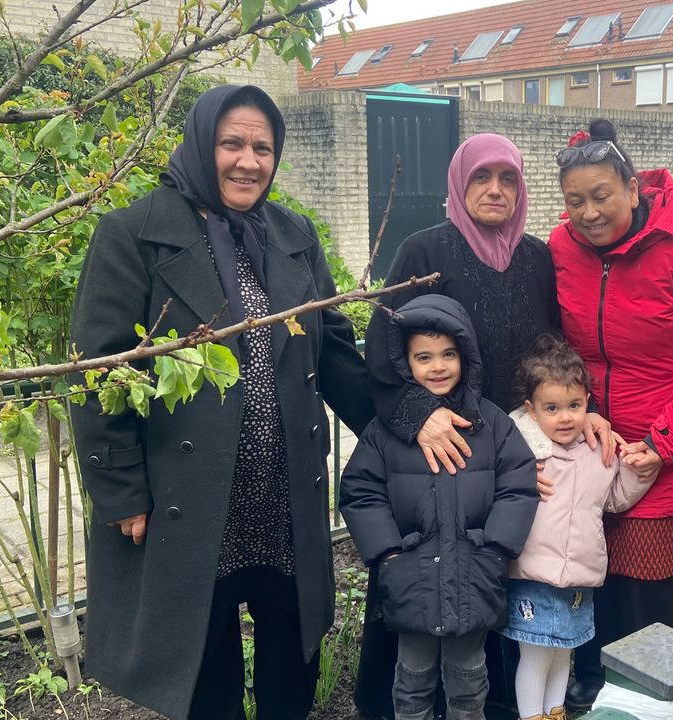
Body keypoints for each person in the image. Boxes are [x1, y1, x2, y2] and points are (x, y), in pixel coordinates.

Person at [69, 84, 373, 720]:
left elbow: (338, 355)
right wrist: (120, 489)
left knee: (292, 665)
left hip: (283, 496)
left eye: (262, 146)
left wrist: (409, 420)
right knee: (206, 679)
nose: (249, 161)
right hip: (191, 500)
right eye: (231, 143)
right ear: (201, 144)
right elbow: (99, 376)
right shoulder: (133, 235)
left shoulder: (294, 234)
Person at [358, 133, 614, 717]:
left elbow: (556, 353)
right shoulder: (423, 253)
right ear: (459, 183)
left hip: (513, 455)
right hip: (437, 457)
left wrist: (578, 410)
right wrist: (420, 417)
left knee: (505, 581)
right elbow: (382, 351)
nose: (495, 190)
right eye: (482, 178)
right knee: (425, 599)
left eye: (508, 179)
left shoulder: (536, 258)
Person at [549, 119, 673, 711]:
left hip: (663, 452)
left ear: (633, 189)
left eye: (602, 195)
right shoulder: (561, 248)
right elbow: (561, 344)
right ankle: (596, 685)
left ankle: (648, 697)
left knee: (640, 586)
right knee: (581, 571)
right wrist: (573, 413)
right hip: (588, 444)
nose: (588, 212)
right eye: (574, 201)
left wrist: (664, 440)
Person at [339, 294, 540, 720]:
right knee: (412, 679)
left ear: (466, 356)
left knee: (469, 678)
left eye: (449, 354)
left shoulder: (490, 423)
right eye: (424, 357)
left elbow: (518, 483)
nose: (438, 366)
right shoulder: (388, 430)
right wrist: (389, 553)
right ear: (405, 363)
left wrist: (495, 547)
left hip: (473, 574)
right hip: (411, 578)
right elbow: (361, 490)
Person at [501, 333, 654, 720]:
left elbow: (616, 497)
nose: (565, 416)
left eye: (573, 405)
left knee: (561, 656)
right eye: (551, 408)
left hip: (579, 578)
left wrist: (640, 470)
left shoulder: (595, 452)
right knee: (535, 655)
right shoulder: (523, 452)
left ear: (588, 401)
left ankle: (556, 713)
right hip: (533, 574)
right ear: (531, 410)